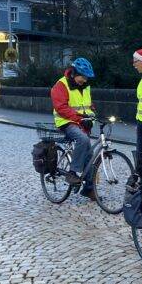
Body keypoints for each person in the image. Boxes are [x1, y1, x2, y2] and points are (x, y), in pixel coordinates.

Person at [50, 58, 97, 200]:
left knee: (90, 154)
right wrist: (80, 118)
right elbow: (61, 108)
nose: (84, 80)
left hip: (81, 122)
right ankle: (73, 172)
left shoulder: (85, 86)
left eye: (86, 78)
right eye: (82, 77)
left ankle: (88, 188)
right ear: (74, 73)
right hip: (66, 122)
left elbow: (87, 105)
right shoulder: (61, 85)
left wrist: (92, 115)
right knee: (82, 139)